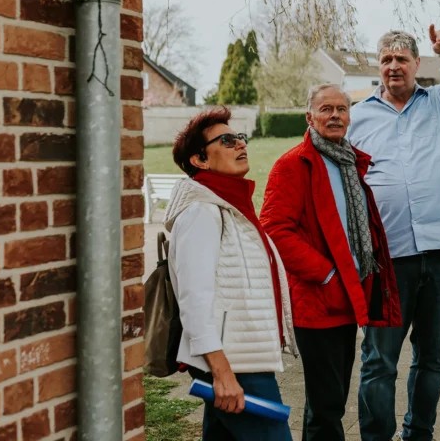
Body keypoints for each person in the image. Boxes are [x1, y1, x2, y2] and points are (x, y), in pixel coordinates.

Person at [348, 26, 440, 441]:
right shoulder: (358, 115)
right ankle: (376, 437)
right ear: (378, 65)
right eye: (386, 60)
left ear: (417, 65)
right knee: (379, 361)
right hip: (387, 258)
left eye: (401, 59)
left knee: (434, 357)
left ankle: (419, 433)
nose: (393, 67)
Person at [260, 84, 402, 441]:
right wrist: (324, 272)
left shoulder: (349, 161)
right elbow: (274, 229)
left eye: (341, 109)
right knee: (326, 404)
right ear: (309, 117)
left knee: (332, 399)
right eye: (326, 109)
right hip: (317, 299)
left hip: (348, 297)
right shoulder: (293, 165)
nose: (335, 115)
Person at [163, 106, 296, 441]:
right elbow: (194, 300)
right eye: (226, 140)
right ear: (200, 161)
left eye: (239, 137)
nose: (240, 144)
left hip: (241, 358)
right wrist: (222, 373)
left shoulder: (232, 209)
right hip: (234, 364)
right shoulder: (202, 213)